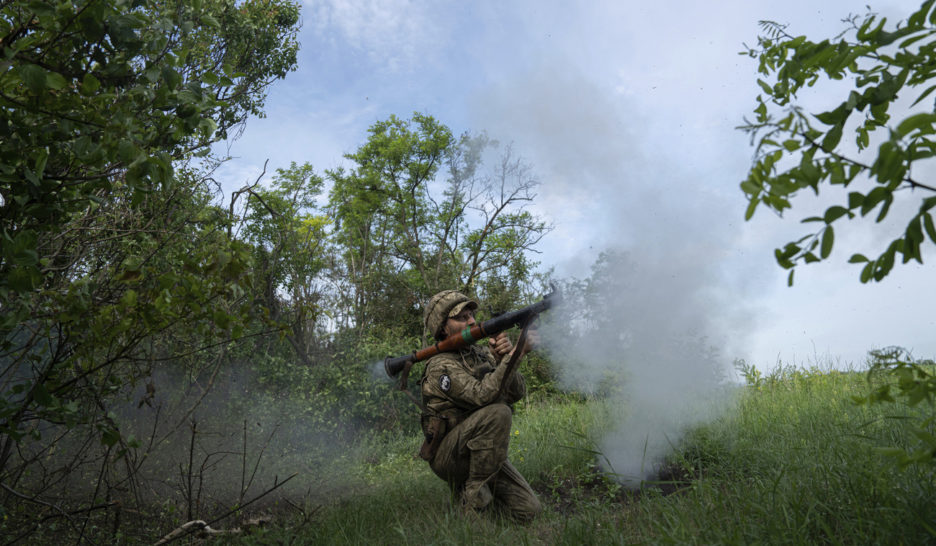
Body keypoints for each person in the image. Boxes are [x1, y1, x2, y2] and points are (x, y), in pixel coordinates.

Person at [419, 290, 542, 521]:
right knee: (498, 412)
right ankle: (472, 507)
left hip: (482, 449)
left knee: (528, 510)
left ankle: (466, 498)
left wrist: (502, 358)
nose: (472, 321)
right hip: (449, 454)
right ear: (444, 327)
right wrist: (517, 353)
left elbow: (516, 393)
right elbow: (482, 396)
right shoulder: (440, 366)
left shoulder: (478, 354)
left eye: (471, 315)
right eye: (462, 317)